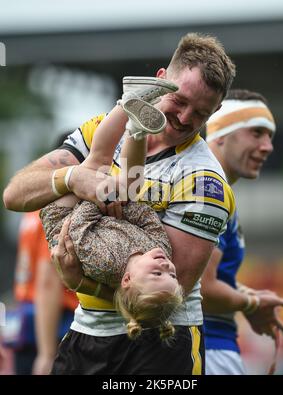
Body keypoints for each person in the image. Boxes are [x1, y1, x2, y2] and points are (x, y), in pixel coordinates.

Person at [3, 32, 236, 375]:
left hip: (161, 343)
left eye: (201, 113)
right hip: (87, 332)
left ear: (215, 112)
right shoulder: (101, 128)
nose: (185, 119)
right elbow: (15, 194)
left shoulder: (206, 181)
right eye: (180, 101)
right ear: (160, 81)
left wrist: (81, 283)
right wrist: (72, 179)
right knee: (97, 168)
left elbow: (168, 290)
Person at [40, 80, 184, 339]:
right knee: (131, 183)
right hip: (104, 214)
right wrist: (123, 203)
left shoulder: (106, 264)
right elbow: (147, 217)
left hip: (65, 214)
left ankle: (123, 104)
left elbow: (75, 231)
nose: (166, 265)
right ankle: (136, 128)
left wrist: (99, 200)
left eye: (157, 273)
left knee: (97, 164)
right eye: (172, 275)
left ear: (127, 280)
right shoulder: (160, 248)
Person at [201, 89, 283, 375]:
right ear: (220, 133)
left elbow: (194, 276)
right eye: (256, 133)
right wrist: (252, 303)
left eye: (270, 137)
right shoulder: (208, 190)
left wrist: (245, 296)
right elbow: (201, 288)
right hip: (208, 348)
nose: (268, 147)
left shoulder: (215, 189)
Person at [4, 209, 78, 375]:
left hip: (29, 323)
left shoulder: (31, 212)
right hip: (52, 328)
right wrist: (47, 353)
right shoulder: (54, 213)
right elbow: (48, 281)